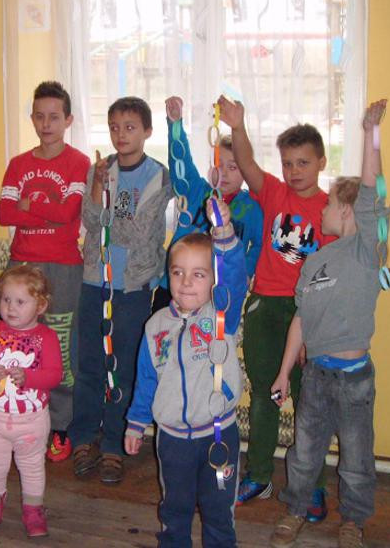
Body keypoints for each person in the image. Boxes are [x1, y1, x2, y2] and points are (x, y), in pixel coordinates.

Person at [268, 100, 389, 548]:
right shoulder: (314, 260)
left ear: (349, 212)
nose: (321, 210)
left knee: (356, 459)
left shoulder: (366, 252)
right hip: (316, 375)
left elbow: (372, 191)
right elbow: (301, 319)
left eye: (331, 204)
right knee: (304, 452)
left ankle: (353, 522)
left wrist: (371, 133)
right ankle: (295, 511)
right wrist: (284, 372)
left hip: (355, 379)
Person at [217, 96, 335, 518]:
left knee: (309, 403)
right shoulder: (273, 193)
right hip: (266, 306)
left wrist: (314, 331)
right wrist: (237, 126)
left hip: (307, 313)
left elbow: (332, 275)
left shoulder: (330, 211)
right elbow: (247, 163)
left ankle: (311, 485)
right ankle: (260, 474)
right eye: (287, 163)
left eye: (303, 162)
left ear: (321, 162)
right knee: (265, 394)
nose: (294, 171)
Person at [126, 196, 248, 548]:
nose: (186, 282)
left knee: (218, 511)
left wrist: (224, 233)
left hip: (217, 435)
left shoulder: (221, 316)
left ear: (213, 280)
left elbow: (235, 276)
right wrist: (136, 422)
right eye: (177, 272)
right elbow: (146, 380)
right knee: (174, 509)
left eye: (198, 274)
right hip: (172, 439)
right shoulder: (156, 326)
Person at [68, 96, 172, 484]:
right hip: (94, 281)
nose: (121, 135)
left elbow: (137, 232)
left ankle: (114, 443)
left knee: (122, 368)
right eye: (114, 127)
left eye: (130, 127)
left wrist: (104, 219)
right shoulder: (101, 170)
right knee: (89, 366)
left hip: (132, 288)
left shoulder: (157, 176)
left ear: (146, 131)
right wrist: (97, 185)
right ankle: (83, 438)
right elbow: (89, 219)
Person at [0, 81, 90, 462]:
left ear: (68, 120)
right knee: (19, 346)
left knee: (61, 347)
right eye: (40, 116)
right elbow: (5, 214)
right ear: (32, 119)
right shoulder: (18, 163)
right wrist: (43, 210)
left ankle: (61, 426)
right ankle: (21, 415)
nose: (46, 124)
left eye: (54, 117)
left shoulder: (78, 162)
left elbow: (69, 213)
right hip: (21, 265)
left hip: (64, 268)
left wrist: (28, 205)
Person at [0, 265, 62, 538]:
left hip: (32, 420)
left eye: (20, 302)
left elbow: (55, 376)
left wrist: (29, 377)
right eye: (6, 299)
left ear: (40, 306)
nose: (10, 307)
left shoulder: (47, 337)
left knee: (32, 467)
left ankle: (33, 511)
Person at [153, 95, 262, 312]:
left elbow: (259, 245)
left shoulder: (252, 209)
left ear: (245, 170)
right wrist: (175, 125)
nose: (224, 173)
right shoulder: (197, 190)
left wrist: (247, 271)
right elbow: (181, 163)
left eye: (233, 167)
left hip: (217, 292)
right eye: (219, 166)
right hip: (174, 288)